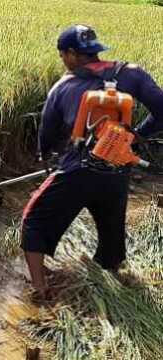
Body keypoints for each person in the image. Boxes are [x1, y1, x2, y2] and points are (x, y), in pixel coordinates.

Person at [21, 24, 163, 298]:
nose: (62, 60)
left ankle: (39, 288)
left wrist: (50, 163)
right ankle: (112, 283)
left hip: (77, 170)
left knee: (34, 221)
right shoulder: (131, 73)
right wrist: (133, 139)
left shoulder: (63, 87)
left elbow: (47, 138)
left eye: (62, 55)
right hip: (118, 170)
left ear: (73, 54)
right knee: (111, 234)